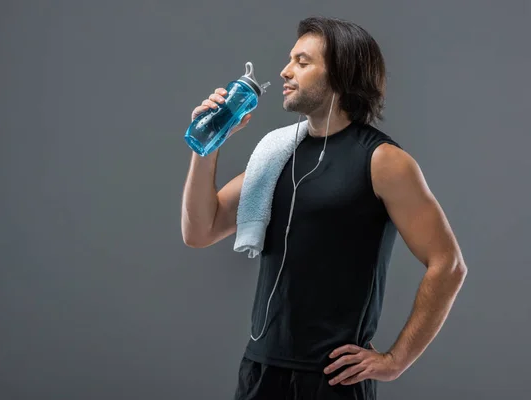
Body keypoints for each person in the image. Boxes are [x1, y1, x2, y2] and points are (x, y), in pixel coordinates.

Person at [181, 16, 467, 400]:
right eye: (290, 60)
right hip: (261, 370)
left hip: (333, 379)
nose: (285, 71)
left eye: (302, 62)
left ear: (341, 74)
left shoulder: (383, 161)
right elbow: (200, 230)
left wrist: (396, 360)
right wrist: (208, 142)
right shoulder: (276, 154)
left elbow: (447, 264)